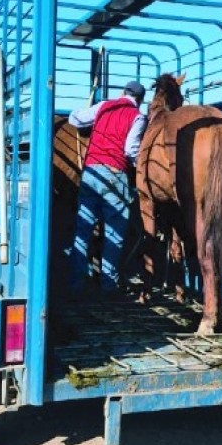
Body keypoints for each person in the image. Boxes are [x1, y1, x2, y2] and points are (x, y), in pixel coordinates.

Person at [67, 80, 146, 299]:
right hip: (115, 173)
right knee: (114, 232)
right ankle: (108, 285)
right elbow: (131, 150)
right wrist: (141, 166)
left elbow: (76, 118)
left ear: (123, 92)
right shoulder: (138, 116)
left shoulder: (104, 106)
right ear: (139, 100)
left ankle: (76, 282)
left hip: (91, 172)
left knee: (83, 229)